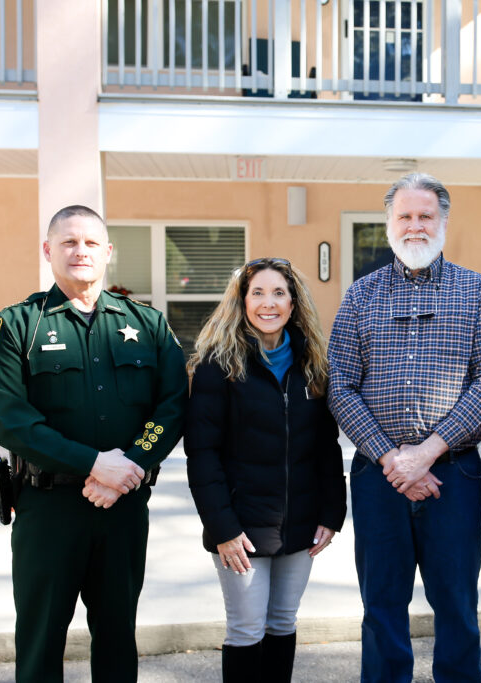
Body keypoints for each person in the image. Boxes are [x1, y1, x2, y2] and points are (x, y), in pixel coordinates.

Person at [0, 205, 187, 682]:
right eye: (68, 242)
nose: (80, 251)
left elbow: (172, 406)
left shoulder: (148, 325)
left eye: (91, 242)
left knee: (117, 636)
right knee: (40, 637)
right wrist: (95, 464)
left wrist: (128, 467)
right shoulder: (15, 326)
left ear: (108, 253)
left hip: (124, 507)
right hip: (48, 510)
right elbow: (11, 421)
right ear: (47, 251)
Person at [327, 173, 481, 682]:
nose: (415, 226)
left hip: (451, 476)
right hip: (377, 477)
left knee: (456, 604)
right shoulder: (360, 295)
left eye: (425, 215)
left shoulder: (476, 291)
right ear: (389, 224)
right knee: (381, 604)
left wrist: (426, 452)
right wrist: (393, 458)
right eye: (404, 216)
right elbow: (339, 385)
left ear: (443, 222)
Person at [184, 257, 347, 683]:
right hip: (240, 527)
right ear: (242, 301)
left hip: (301, 522)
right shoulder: (216, 365)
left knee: (283, 624)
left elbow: (326, 447)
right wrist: (222, 528)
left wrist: (332, 514)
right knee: (247, 629)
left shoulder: (313, 363)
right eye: (257, 293)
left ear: (294, 303)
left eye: (279, 293)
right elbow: (202, 454)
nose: (268, 303)